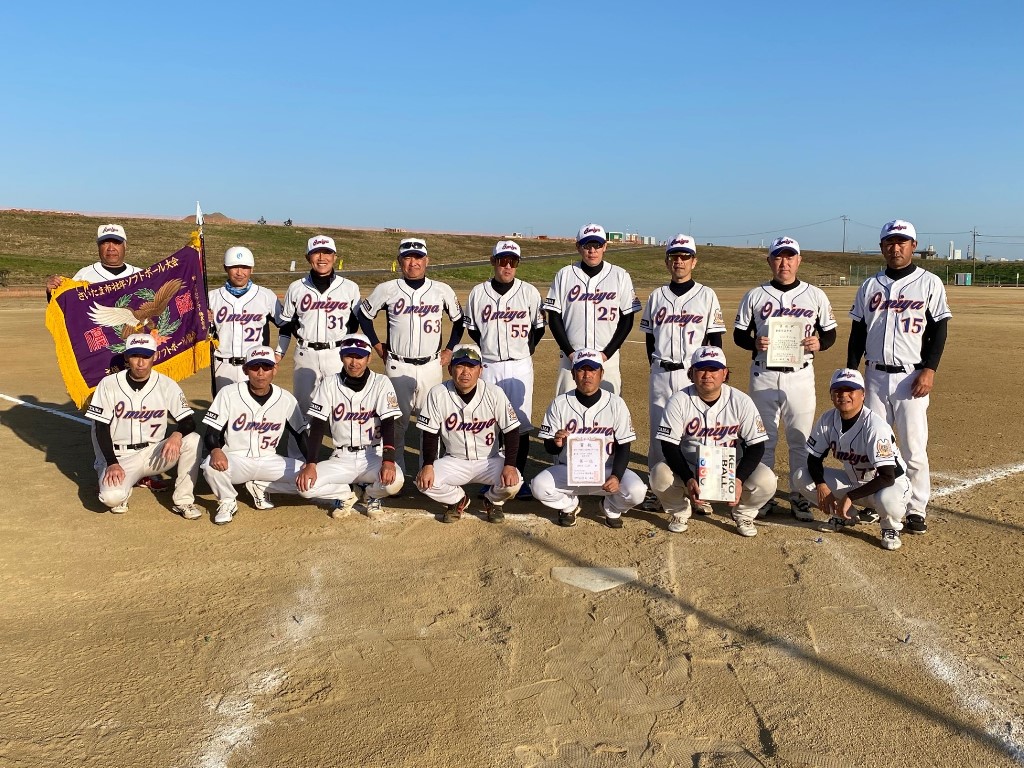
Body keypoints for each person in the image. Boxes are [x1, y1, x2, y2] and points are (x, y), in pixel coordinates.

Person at [847, 219, 951, 535]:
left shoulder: (929, 283)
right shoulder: (870, 286)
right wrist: (852, 372)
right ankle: (870, 501)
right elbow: (857, 332)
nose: (896, 248)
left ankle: (916, 508)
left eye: (902, 242)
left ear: (913, 246)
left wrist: (929, 370)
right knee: (871, 444)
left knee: (913, 447)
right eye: (890, 242)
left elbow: (939, 329)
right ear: (882, 247)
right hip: (874, 376)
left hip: (911, 377)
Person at [734, 236, 837, 522]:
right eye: (778, 257)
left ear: (798, 260)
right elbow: (739, 334)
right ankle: (764, 496)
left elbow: (830, 333)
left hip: (800, 375)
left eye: (790, 257)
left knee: (800, 440)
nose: (784, 263)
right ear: (770, 261)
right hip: (764, 374)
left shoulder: (815, 295)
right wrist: (754, 343)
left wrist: (820, 343)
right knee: (762, 440)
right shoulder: (755, 295)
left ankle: (799, 495)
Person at [358, 237, 464, 471]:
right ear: (399, 261)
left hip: (431, 366)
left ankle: (430, 470)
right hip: (398, 364)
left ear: (427, 261)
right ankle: (396, 471)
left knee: (432, 422)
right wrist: (377, 345)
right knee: (396, 422)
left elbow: (459, 321)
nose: (413, 263)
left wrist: (450, 349)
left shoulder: (441, 289)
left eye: (418, 257)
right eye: (407, 258)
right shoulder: (387, 289)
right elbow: (364, 316)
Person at [649, 346, 777, 537]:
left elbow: (757, 446)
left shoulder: (741, 401)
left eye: (713, 369)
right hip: (691, 465)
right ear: (691, 373)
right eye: (701, 369)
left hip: (731, 468)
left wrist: (740, 479)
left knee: (766, 480)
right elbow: (669, 446)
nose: (707, 375)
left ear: (724, 373)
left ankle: (744, 514)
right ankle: (679, 511)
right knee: (659, 474)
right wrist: (688, 478)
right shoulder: (679, 400)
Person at [84, 333, 202, 519]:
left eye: (146, 356)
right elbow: (100, 427)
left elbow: (188, 421)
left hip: (154, 454)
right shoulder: (109, 384)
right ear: (126, 357)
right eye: (135, 356)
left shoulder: (166, 384)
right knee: (111, 498)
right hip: (120, 457)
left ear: (154, 356)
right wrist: (112, 463)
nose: (140, 363)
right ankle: (123, 482)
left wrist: (176, 435)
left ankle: (183, 500)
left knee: (193, 439)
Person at [793, 368, 911, 551]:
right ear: (831, 395)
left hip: (889, 485)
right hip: (854, 482)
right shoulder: (827, 420)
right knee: (802, 476)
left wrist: (849, 496)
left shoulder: (875, 427)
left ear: (863, 395)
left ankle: (890, 527)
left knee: (888, 501)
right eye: (838, 390)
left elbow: (888, 476)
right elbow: (813, 459)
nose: (844, 395)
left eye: (850, 390)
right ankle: (844, 516)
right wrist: (822, 485)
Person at [530, 349, 646, 528]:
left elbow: (624, 445)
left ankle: (611, 507)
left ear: (601, 373)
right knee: (539, 487)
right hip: (569, 471)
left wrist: (616, 476)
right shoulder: (559, 404)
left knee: (637, 491)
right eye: (581, 370)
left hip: (607, 471)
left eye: (592, 370)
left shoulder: (616, 404)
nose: (587, 375)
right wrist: (556, 443)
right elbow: (549, 447)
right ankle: (569, 505)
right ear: (573, 374)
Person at [463, 239, 545, 493]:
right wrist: (489, 347)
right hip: (489, 365)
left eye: (513, 261)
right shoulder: (478, 293)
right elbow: (473, 329)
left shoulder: (529, 292)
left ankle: (517, 478)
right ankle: (490, 478)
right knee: (488, 422)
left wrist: (524, 350)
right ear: (493, 261)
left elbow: (539, 328)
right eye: (503, 260)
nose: (508, 266)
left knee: (519, 423)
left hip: (520, 365)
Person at [641, 234, 725, 474]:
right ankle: (659, 483)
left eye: (685, 257)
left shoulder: (706, 295)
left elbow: (715, 340)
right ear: (667, 262)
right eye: (674, 256)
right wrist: (655, 365)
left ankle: (700, 482)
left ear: (694, 262)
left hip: (693, 372)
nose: (679, 261)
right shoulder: (657, 296)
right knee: (659, 430)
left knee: (696, 431)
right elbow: (650, 338)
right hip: (661, 372)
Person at [295, 333, 405, 518]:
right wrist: (311, 463)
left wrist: (388, 460)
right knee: (304, 487)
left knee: (395, 482)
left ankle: (372, 495)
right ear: (341, 357)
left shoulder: (381, 383)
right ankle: (348, 493)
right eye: (349, 356)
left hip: (373, 455)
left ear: (369, 358)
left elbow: (388, 423)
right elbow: (318, 425)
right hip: (341, 457)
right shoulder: (329, 383)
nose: (354, 362)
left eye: (359, 357)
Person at [414, 345, 523, 523]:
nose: (465, 372)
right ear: (450, 369)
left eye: (471, 366)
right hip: (454, 461)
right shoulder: (438, 393)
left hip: (489, 461)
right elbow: (430, 434)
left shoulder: (494, 393)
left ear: (480, 370)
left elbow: (511, 431)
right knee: (424, 483)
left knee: (514, 482)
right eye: (460, 366)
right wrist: (428, 464)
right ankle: (458, 500)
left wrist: (510, 465)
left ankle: (493, 501)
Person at [201, 346, 307, 525]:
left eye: (266, 367)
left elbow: (301, 435)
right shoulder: (229, 393)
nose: (260, 373)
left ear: (274, 369)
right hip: (236, 460)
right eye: (255, 367)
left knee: (313, 479)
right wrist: (216, 450)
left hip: (269, 461)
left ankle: (260, 486)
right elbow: (211, 433)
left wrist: (311, 462)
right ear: (245, 369)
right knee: (210, 466)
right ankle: (227, 501)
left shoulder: (286, 398)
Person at [544, 223, 641, 395]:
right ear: (578, 247)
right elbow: (554, 316)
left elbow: (627, 319)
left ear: (605, 246)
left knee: (609, 406)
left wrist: (607, 353)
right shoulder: (564, 275)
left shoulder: (620, 275)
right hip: (571, 358)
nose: (592, 250)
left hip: (607, 358)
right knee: (567, 406)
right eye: (587, 245)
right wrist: (570, 353)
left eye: (597, 245)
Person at [276, 235, 361, 418]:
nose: (322, 258)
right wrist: (279, 352)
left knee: (340, 407)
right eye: (316, 253)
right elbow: (286, 324)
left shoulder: (350, 287)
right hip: (305, 354)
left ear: (335, 257)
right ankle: (302, 439)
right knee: (304, 409)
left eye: (327, 253)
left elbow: (354, 322)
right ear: (308, 257)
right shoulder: (296, 287)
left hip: (337, 354)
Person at [208, 246, 283, 394]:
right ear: (225, 268)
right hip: (222, 365)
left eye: (245, 267)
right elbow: (202, 334)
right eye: (234, 267)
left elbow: (285, 324)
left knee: (255, 405)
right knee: (224, 407)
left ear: (252, 269)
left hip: (255, 366)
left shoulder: (265, 296)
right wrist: (203, 322)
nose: (239, 272)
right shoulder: (212, 297)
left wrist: (279, 353)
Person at [45, 224, 141, 300]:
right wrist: (51, 292)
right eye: (106, 243)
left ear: (125, 246)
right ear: (98, 246)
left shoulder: (141, 276)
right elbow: (67, 307)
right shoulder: (83, 275)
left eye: (116, 243)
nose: (111, 248)